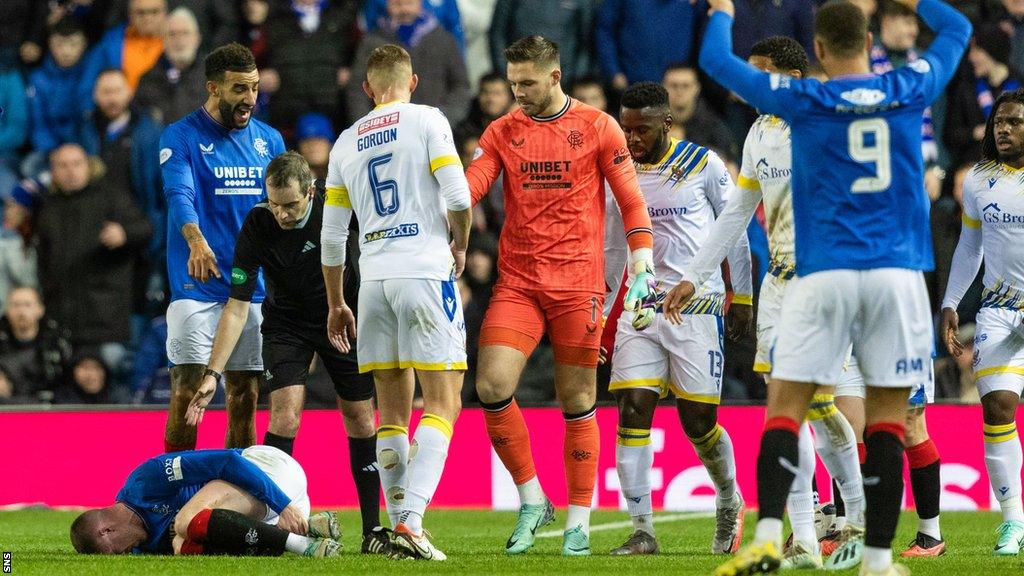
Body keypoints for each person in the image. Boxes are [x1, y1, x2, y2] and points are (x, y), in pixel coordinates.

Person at [684, 1, 971, 575]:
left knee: (784, 410)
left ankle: (768, 536)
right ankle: (878, 561)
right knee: (888, 421)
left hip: (823, 274)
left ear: (816, 50)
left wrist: (720, 10)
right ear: (871, 40)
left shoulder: (801, 101)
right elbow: (959, 27)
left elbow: (714, 59)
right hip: (895, 275)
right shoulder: (909, 86)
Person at [674, 37, 881, 570]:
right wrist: (696, 278)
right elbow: (737, 213)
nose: (750, 86)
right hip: (778, 285)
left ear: (790, 75)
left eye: (761, 74)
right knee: (784, 407)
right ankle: (807, 537)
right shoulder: (760, 131)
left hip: (826, 279)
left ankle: (856, 517)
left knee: (818, 402)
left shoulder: (825, 119)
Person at [465, 35, 658, 557]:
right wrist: (443, 189)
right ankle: (532, 499)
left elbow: (632, 201)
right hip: (519, 283)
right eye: (512, 84)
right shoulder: (503, 130)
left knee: (577, 401)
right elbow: (473, 185)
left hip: (578, 285)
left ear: (554, 77)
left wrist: (642, 262)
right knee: (490, 384)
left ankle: (578, 518)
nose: (517, 93)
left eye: (527, 83)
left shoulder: (598, 127)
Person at [184, 152, 389, 555]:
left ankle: (372, 530)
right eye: (274, 203)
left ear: (311, 192)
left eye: (290, 205)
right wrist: (213, 374)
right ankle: (276, 527)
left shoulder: (339, 206)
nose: (280, 213)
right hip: (286, 326)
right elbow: (238, 305)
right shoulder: (259, 222)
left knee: (361, 420)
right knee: (285, 416)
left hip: (344, 317)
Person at [321, 43, 472, 560]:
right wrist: (462, 244)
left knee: (391, 411)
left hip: (372, 283)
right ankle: (411, 522)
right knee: (445, 400)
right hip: (424, 271)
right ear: (412, 82)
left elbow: (332, 237)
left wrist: (336, 301)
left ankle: (396, 524)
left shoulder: (344, 142)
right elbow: (458, 196)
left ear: (367, 89)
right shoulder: (428, 120)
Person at [603, 82, 753, 557]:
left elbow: (737, 232)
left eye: (641, 129)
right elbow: (611, 244)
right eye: (625, 129)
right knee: (632, 410)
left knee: (698, 421)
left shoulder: (703, 164)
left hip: (698, 306)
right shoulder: (618, 171)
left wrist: (743, 296)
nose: (632, 139)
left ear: (667, 122)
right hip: (642, 307)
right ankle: (642, 530)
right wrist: (605, 309)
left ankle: (729, 498)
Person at [159, 42, 285, 453]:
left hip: (251, 289)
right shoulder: (180, 136)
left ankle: (234, 498)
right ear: (213, 87)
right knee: (187, 389)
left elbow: (283, 209)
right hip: (197, 284)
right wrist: (195, 241)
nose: (250, 98)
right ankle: (173, 495)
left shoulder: (270, 140)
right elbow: (179, 194)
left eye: (253, 88)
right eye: (239, 89)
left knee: (245, 396)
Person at [941, 89, 1024, 556]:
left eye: (1014, 122)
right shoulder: (978, 180)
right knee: (997, 409)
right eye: (998, 123)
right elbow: (970, 248)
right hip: (998, 308)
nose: (1003, 130)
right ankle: (1013, 521)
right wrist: (952, 301)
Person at [69, 445, 341, 557]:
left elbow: (227, 461)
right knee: (182, 544)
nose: (126, 554)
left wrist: (283, 505)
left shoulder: (145, 481)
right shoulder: (143, 542)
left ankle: (303, 545)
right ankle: (311, 529)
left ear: (106, 530)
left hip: (269, 472)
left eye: (117, 551)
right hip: (268, 517)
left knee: (185, 524)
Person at [36, 144, 152, 377]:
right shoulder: (48, 206)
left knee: (115, 373)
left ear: (88, 167)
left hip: (106, 318)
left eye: (77, 164)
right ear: (53, 172)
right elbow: (44, 263)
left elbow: (146, 228)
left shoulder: (112, 197)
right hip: (65, 319)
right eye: (63, 165)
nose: (71, 171)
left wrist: (124, 233)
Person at [347, 0, 470, 125]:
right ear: (388, 5)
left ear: (420, 3)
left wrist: (442, 119)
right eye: (397, 4)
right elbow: (358, 87)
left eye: (409, 3)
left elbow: (460, 86)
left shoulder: (443, 39)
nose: (404, 10)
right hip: (386, 130)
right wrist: (367, 124)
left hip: (434, 127)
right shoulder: (372, 41)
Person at [260, 0, 360, 134]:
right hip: (286, 118)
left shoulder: (343, 15)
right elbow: (252, 56)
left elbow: (363, 55)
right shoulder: (273, 17)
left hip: (335, 115)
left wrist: (353, 74)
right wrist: (259, 76)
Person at [596, 0, 707, 89]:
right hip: (635, 81)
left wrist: (696, 74)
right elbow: (605, 31)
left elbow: (706, 31)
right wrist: (613, 71)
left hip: (679, 82)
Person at [26, 18, 89, 170]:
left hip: (86, 149)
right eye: (59, 44)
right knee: (29, 168)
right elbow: (37, 122)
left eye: (73, 44)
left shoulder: (91, 76)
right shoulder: (37, 79)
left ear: (84, 45)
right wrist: (53, 151)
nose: (66, 51)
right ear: (50, 44)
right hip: (50, 152)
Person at [488, 0, 593, 87]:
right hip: (520, 75)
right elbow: (497, 33)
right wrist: (504, 71)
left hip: (565, 77)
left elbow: (586, 39)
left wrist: (578, 76)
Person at [0, 286, 72, 404]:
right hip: (7, 409)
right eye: (15, 305)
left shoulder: (58, 341)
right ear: (7, 310)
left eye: (27, 305)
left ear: (40, 309)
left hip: (50, 407)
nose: (21, 311)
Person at [81, 0, 167, 98]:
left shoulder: (178, 41)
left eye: (154, 12)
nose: (147, 18)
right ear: (130, 14)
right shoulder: (110, 43)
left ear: (165, 13)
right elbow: (88, 84)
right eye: (140, 12)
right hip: (120, 109)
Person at [135, 6, 206, 125]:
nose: (179, 40)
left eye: (185, 33)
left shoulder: (215, 76)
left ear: (197, 39)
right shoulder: (148, 80)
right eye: (172, 34)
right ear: (163, 40)